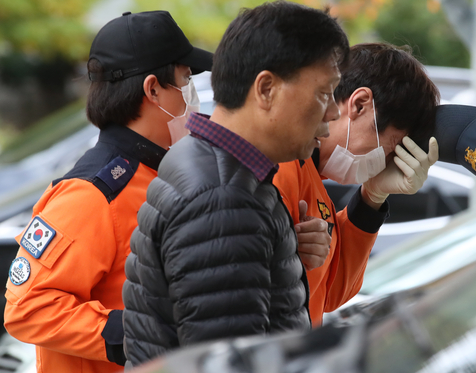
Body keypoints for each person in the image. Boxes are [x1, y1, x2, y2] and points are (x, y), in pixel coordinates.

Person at [121, 1, 350, 367]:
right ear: (266, 89)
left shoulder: (211, 164)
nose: (334, 112)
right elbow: (229, 363)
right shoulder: (224, 198)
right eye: (324, 93)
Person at [3, 11, 212, 373]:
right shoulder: (93, 194)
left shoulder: (162, 174)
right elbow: (27, 308)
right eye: (186, 80)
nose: (192, 97)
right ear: (152, 89)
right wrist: (137, 335)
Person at [273, 42, 440, 327]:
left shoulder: (309, 173)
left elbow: (329, 292)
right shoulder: (282, 164)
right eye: (391, 146)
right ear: (359, 104)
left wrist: (373, 196)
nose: (385, 161)